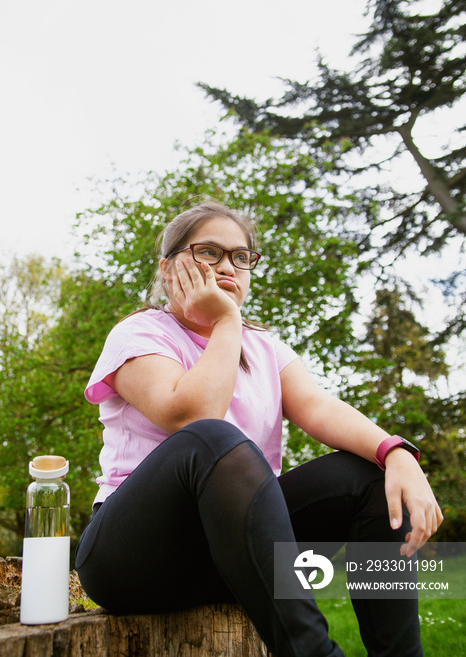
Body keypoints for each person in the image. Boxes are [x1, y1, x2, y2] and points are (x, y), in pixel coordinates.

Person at [75, 200, 443, 657]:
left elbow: (319, 407)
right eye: (208, 252)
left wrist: (397, 453)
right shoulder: (140, 333)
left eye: (240, 255)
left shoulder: (265, 347)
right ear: (169, 269)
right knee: (214, 438)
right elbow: (193, 415)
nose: (228, 265)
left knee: (370, 476)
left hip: (239, 557)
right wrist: (226, 319)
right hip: (137, 559)